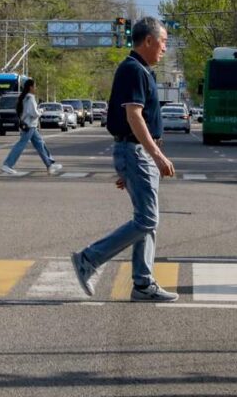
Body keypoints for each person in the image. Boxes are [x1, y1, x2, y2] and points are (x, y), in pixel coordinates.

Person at [71, 17, 177, 302]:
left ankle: (143, 284)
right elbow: (133, 115)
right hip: (137, 151)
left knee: (148, 220)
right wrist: (156, 155)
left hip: (137, 154)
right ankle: (88, 259)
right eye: (164, 42)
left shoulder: (141, 69)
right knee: (146, 220)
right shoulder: (133, 69)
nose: (165, 48)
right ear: (149, 41)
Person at [0, 79, 62, 176]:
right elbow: (33, 113)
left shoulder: (25, 97)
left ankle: (49, 165)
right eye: (35, 86)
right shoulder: (30, 97)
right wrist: (41, 111)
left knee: (40, 144)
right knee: (21, 145)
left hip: (30, 126)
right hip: (29, 126)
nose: (35, 88)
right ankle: (7, 164)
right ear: (30, 87)